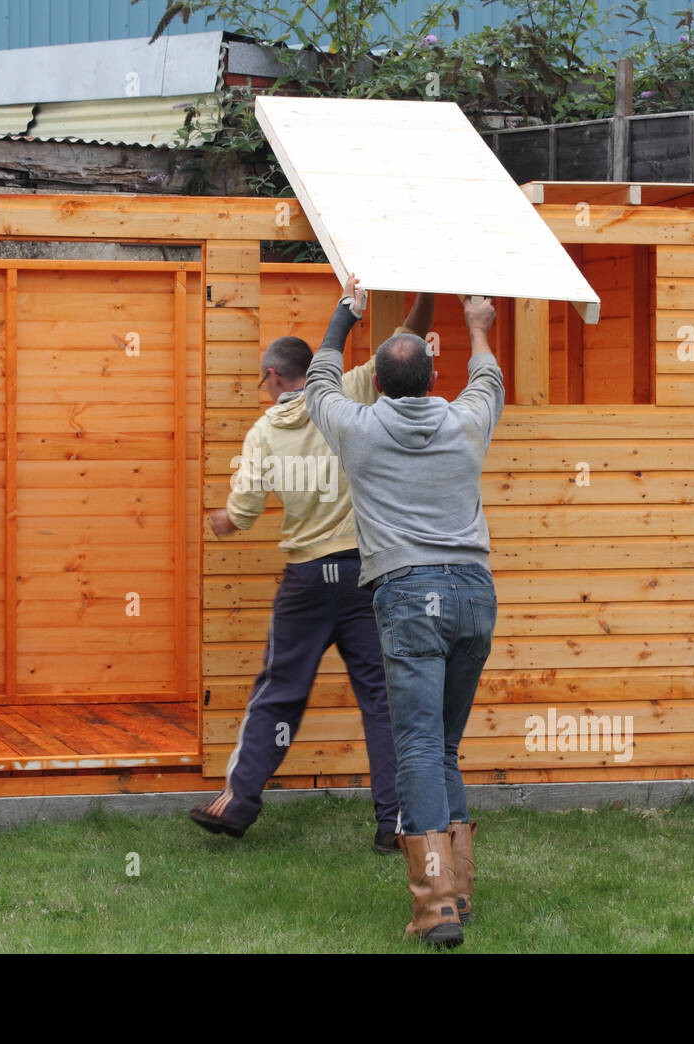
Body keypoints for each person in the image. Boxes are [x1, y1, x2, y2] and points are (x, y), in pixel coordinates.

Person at [189, 277, 435, 855]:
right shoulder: (345, 394)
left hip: (306, 582)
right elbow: (408, 341)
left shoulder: (261, 435)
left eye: (259, 380)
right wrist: (422, 287)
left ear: (275, 377)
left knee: (279, 693)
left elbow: (243, 514)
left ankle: (239, 802)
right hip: (362, 576)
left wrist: (222, 520)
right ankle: (393, 823)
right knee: (380, 697)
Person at [304, 281, 503, 949]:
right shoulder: (467, 421)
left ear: (379, 386)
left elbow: (320, 375)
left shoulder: (356, 430)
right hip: (475, 595)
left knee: (417, 747)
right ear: (432, 375)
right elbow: (488, 375)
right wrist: (477, 324)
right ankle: (459, 890)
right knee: (443, 746)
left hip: (410, 595)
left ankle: (437, 905)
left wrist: (347, 311)